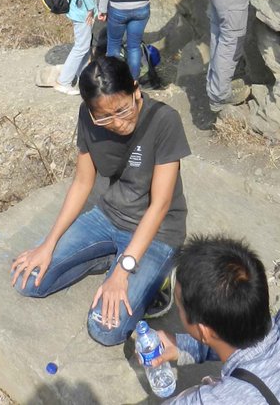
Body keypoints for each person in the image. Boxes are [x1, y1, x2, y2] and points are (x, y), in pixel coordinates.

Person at [11, 54, 191, 346]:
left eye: (122, 110)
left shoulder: (164, 120)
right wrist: (49, 243)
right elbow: (83, 182)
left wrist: (123, 271)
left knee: (106, 329)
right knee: (27, 280)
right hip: (107, 217)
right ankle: (110, 257)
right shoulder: (88, 116)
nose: (117, 123)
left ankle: (154, 275)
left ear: (135, 90)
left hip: (158, 233)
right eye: (104, 117)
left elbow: (159, 206)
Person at [148, 235, 280, 404]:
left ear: (204, 331)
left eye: (179, 307)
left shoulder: (217, 400)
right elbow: (249, 332)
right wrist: (186, 346)